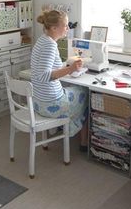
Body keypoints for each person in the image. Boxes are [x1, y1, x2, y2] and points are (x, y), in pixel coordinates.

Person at [31, 10, 88, 151]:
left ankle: (65, 128)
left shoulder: (42, 40)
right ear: (54, 28)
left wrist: (68, 66)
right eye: (65, 25)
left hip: (38, 102)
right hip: (50, 104)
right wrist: (70, 69)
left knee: (72, 90)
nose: (68, 29)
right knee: (85, 93)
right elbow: (44, 76)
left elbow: (48, 68)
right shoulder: (50, 45)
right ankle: (83, 142)